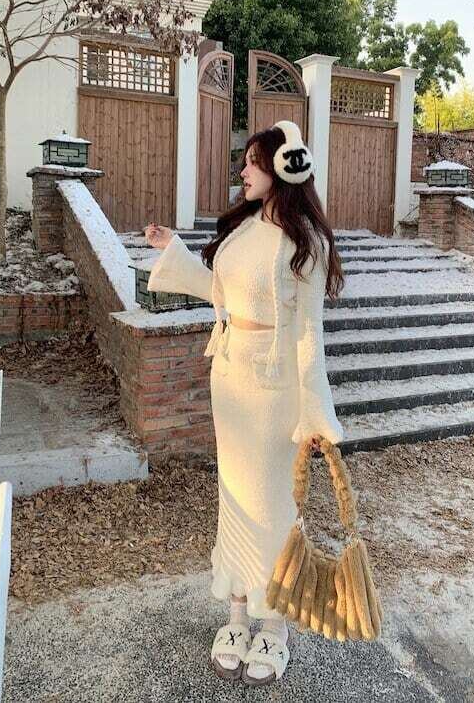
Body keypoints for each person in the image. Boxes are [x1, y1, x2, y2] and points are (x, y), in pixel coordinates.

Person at [144, 120, 345, 686]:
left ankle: (275, 623)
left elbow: (309, 334)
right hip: (230, 380)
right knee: (233, 499)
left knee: (275, 506)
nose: (244, 170)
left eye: (254, 161)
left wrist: (314, 413)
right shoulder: (243, 230)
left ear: (284, 166)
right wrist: (172, 251)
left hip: (276, 391)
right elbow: (220, 291)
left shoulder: (306, 241)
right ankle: (236, 616)